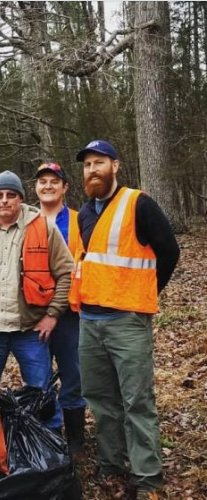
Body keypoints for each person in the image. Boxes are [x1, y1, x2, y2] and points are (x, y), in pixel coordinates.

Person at [70, 140, 180, 499]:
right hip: (90, 321)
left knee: (137, 402)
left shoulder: (138, 204)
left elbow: (169, 250)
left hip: (127, 322)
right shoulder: (84, 213)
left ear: (115, 166)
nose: (92, 170)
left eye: (99, 162)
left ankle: (148, 479)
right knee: (101, 399)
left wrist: (144, 296)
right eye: (87, 165)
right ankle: (111, 465)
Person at [0, 170, 74, 430]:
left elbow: (66, 273)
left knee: (41, 392)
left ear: (20, 198)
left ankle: (50, 445)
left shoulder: (44, 228)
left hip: (30, 331)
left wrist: (52, 314)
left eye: (11, 195)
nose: (5, 200)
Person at [34, 162, 86, 454]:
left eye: (54, 181)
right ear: (36, 188)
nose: (48, 186)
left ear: (65, 187)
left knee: (72, 374)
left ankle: (76, 437)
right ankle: (48, 433)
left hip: (70, 314)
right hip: (34, 313)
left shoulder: (80, 221)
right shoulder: (27, 220)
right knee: (39, 376)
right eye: (43, 181)